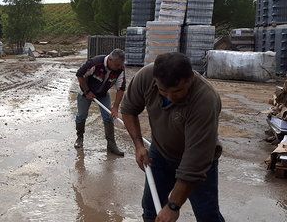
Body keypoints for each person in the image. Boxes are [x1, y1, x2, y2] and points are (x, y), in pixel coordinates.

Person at [120, 52, 224, 222]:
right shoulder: (146, 76)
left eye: (177, 91)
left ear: (190, 79)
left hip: (199, 161)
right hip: (160, 153)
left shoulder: (205, 99)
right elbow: (128, 109)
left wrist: (173, 206)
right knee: (151, 210)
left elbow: (194, 163)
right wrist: (139, 145)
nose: (170, 97)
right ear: (155, 81)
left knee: (207, 215)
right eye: (162, 91)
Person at [74, 48, 126, 156]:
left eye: (121, 65)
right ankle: (80, 138)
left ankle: (111, 145)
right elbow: (80, 74)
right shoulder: (95, 63)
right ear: (110, 60)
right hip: (86, 92)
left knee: (108, 117)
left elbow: (121, 89)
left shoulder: (120, 69)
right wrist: (87, 91)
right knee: (81, 116)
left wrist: (115, 107)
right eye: (117, 65)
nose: (119, 67)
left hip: (102, 94)